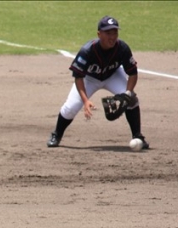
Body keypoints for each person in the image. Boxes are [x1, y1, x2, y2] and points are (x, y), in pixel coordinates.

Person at [47, 16, 149, 149]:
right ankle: (56, 134)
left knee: (132, 100)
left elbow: (133, 73)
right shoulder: (87, 51)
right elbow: (78, 77)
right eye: (108, 33)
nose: (112, 37)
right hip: (89, 79)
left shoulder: (122, 48)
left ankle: (138, 136)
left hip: (112, 76)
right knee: (71, 107)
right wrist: (85, 101)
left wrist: (128, 93)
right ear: (99, 34)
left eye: (115, 33)